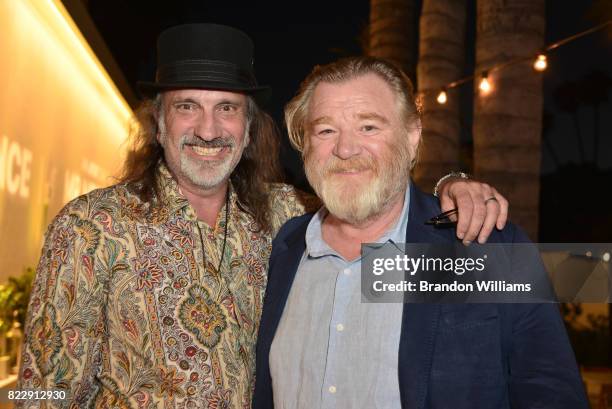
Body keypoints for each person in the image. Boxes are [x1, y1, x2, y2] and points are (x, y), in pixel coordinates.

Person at [18, 24, 509, 408]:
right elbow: (42, 391)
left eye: (227, 108)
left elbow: (371, 192)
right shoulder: (90, 227)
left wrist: (452, 185)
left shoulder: (287, 215)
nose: (208, 130)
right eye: (188, 106)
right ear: (159, 123)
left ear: (249, 127)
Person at [253, 56, 588, 409]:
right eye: (325, 130)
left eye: (369, 127)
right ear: (305, 144)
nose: (346, 149)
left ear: (412, 137)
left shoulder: (484, 248)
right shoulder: (282, 249)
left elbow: (550, 391)